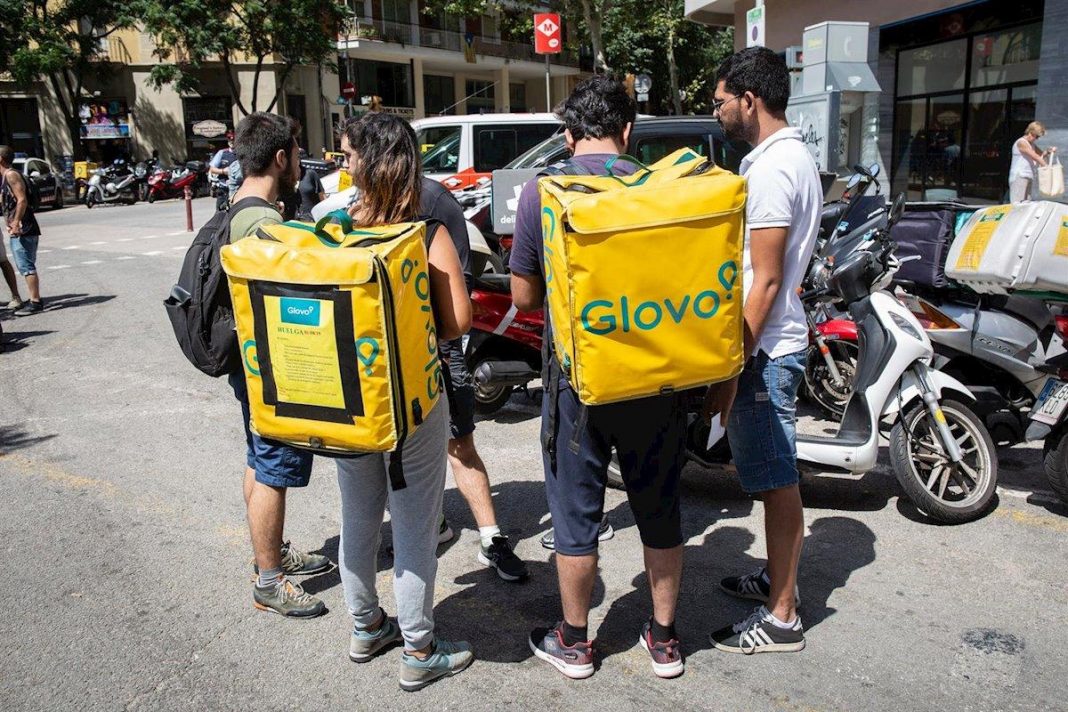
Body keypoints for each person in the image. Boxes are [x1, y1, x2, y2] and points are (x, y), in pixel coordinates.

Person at [510, 76, 687, 681]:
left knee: (576, 514)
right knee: (659, 507)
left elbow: (524, 295)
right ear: (628, 130)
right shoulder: (660, 189)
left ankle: (576, 642)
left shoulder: (544, 192)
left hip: (578, 382)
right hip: (656, 374)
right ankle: (664, 641)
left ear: (568, 134)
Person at [340, 115, 530, 582]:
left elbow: (457, 295)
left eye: (348, 156)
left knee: (459, 444)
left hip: (436, 357)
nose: (344, 167)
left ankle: (491, 537)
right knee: (400, 473)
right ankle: (435, 530)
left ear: (373, 155)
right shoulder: (348, 214)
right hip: (379, 368)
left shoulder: (434, 203)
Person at [334, 112, 474, 692]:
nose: (342, 164)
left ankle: (366, 625)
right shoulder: (425, 231)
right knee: (416, 521)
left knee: (358, 514)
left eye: (346, 155)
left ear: (364, 164)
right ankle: (419, 646)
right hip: (413, 398)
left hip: (346, 399)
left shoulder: (333, 226)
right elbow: (458, 321)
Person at [704, 46, 821, 655]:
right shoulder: (788, 158)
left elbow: (766, 279)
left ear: (749, 100)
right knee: (770, 477)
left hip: (766, 349)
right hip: (773, 344)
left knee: (777, 482)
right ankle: (777, 581)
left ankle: (782, 617)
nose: (716, 110)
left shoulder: (773, 167)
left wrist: (733, 360)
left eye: (721, 100)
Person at [228, 113, 333, 618]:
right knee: (273, 467)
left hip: (248, 361)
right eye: (295, 151)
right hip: (270, 367)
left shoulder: (243, 206)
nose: (299, 162)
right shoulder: (263, 224)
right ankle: (269, 580)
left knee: (256, 458)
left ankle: (267, 556)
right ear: (280, 157)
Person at [1, 145, 44, 316]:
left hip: (24, 228)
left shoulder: (11, 174)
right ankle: (34, 298)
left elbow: (22, 200)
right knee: (25, 264)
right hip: (22, 227)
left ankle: (35, 301)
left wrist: (16, 222)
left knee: (26, 265)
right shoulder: (6, 176)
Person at [1010, 121, 1055, 203]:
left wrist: (1048, 151)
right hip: (1019, 175)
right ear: (1031, 133)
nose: (1037, 139)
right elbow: (1035, 157)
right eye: (1037, 136)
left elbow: (1041, 155)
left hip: (1028, 175)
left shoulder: (1031, 144)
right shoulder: (1021, 143)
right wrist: (1048, 168)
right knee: (1017, 203)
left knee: (1026, 203)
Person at [209, 132, 237, 211]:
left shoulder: (242, 153)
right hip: (224, 189)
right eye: (229, 139)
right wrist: (223, 171)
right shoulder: (222, 153)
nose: (232, 141)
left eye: (234, 139)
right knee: (220, 215)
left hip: (237, 190)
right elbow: (212, 169)